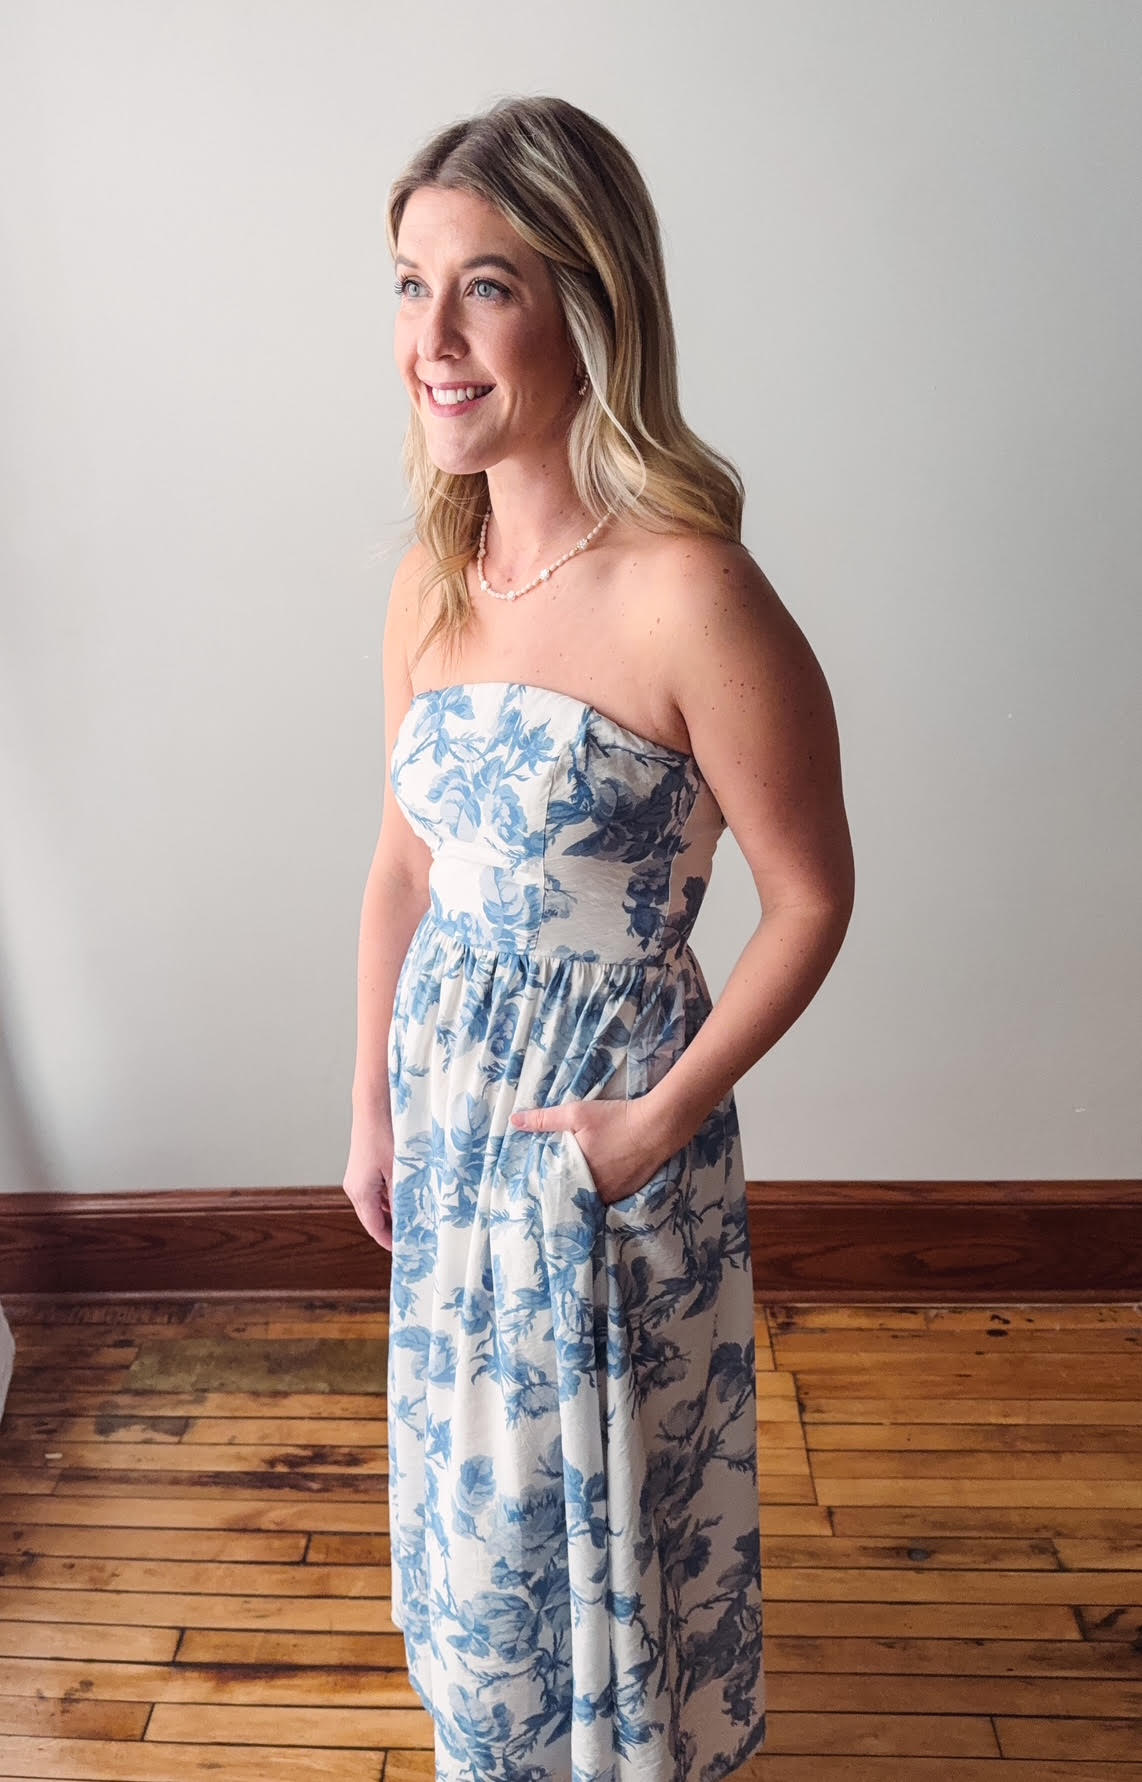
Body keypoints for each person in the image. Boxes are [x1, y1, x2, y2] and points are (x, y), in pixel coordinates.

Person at [343, 94, 854, 1782]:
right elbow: (402, 861)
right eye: (408, 284)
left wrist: (653, 1123)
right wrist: (370, 1106)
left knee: (596, 1513)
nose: (431, 339)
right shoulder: (434, 574)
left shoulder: (692, 594)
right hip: (450, 1124)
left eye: (483, 287)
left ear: (588, 304)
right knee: (476, 1526)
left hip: (601, 1133)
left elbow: (811, 895)